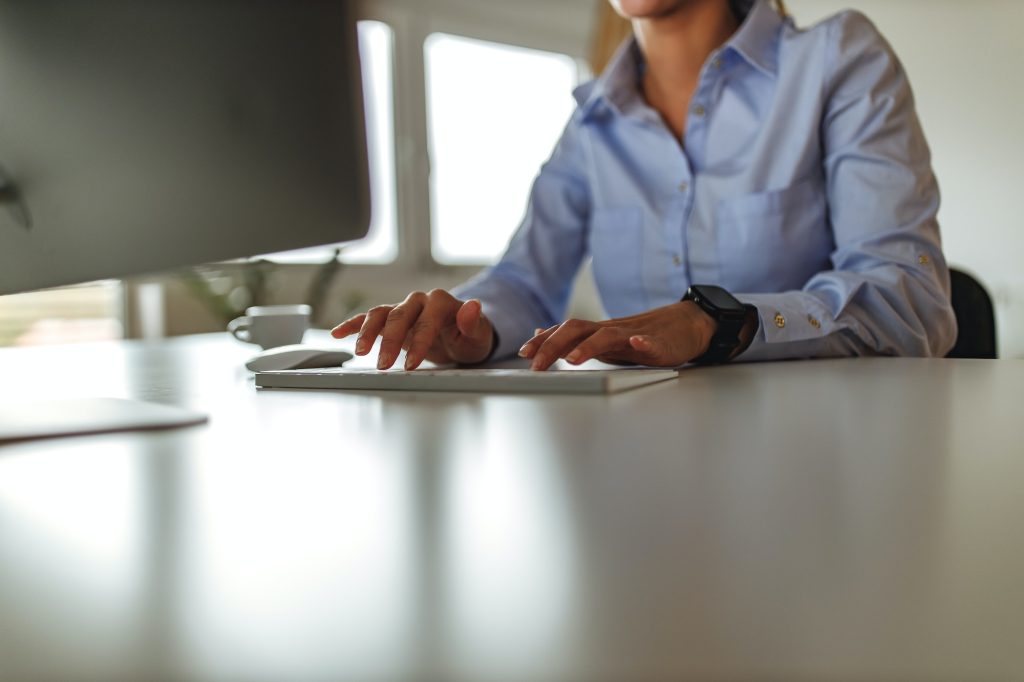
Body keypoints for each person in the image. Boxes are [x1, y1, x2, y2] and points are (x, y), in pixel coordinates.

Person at [331, 0, 957, 371]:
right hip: (639, 454)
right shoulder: (592, 120)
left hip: (821, 455)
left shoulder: (837, 59)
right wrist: (471, 327)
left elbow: (909, 296)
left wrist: (718, 320)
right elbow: (524, 282)